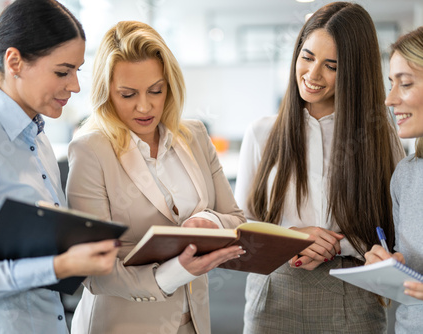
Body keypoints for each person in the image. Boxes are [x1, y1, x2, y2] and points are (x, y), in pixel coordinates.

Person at [0, 1, 120, 333]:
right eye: (62, 71)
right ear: (15, 62)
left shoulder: (39, 139)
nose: (74, 86)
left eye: (77, 71)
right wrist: (57, 266)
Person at [234, 2, 405, 333]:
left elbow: (394, 227)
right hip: (273, 291)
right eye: (307, 57)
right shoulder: (261, 132)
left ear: (355, 72)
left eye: (332, 66)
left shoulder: (379, 132)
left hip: (352, 294)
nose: (312, 75)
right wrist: (289, 237)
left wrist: (334, 245)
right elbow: (240, 229)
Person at [66, 21, 246, 334]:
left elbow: (235, 219)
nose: (145, 106)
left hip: (194, 323)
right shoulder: (90, 150)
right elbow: (91, 271)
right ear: (106, 92)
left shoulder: (194, 135)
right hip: (122, 325)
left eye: (156, 90)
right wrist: (173, 273)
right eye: (127, 94)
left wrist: (209, 221)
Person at [364, 26, 423, 334]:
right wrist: (389, 265)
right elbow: (411, 273)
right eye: (391, 84)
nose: (389, 100)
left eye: (405, 84)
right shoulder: (406, 175)